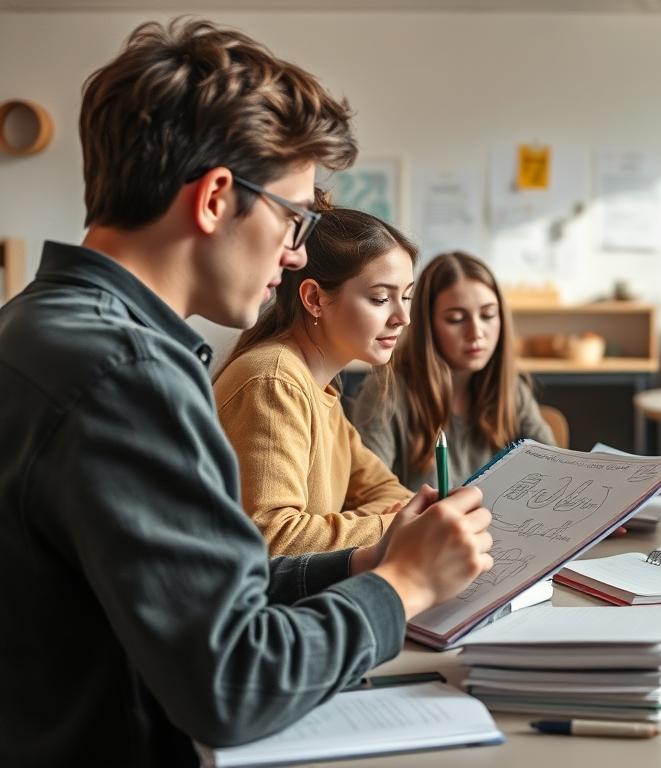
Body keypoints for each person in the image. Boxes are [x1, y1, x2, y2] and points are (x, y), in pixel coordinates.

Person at [0, 20, 494, 765]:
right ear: (215, 199)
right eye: (294, 218)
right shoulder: (128, 375)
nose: (296, 254)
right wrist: (402, 586)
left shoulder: (35, 326)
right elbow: (234, 683)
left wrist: (359, 565)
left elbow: (189, 588)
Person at [214, 203, 418, 555]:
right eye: (381, 298)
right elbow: (273, 538)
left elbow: (387, 491)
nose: (403, 317)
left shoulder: (319, 387)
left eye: (407, 296)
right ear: (314, 299)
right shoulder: (275, 382)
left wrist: (360, 524)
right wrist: (396, 525)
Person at [352, 251, 553, 488]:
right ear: (428, 327)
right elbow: (370, 496)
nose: (476, 332)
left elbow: (555, 471)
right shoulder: (385, 391)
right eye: (456, 319)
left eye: (488, 315)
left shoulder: (512, 390)